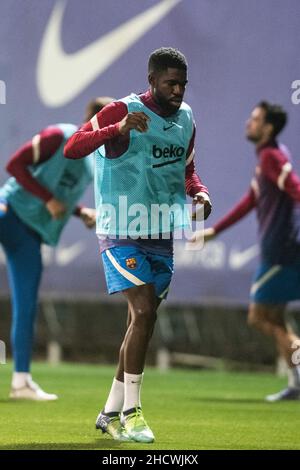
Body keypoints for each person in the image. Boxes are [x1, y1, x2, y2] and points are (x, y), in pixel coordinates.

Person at [64, 47, 212, 442]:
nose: (178, 90)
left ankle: (107, 413)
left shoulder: (186, 118)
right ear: (151, 81)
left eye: (182, 84)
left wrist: (199, 193)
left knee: (139, 324)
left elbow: (188, 170)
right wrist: (118, 129)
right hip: (120, 230)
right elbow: (73, 146)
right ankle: (132, 412)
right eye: (170, 83)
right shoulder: (120, 110)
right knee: (144, 311)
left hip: (161, 234)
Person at [0, 97, 113, 401]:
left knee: (26, 307)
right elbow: (15, 165)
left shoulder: (91, 162)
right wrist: (46, 197)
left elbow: (59, 195)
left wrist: (80, 212)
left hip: (31, 233)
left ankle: (21, 382)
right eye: (112, 120)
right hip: (8, 211)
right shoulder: (59, 136)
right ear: (95, 120)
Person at [191, 101, 300, 402]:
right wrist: (215, 230)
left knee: (259, 317)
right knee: (276, 319)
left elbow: (295, 188)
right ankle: (296, 383)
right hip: (282, 249)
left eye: (255, 119)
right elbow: (250, 200)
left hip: (281, 251)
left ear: (268, 127)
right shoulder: (269, 157)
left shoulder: (271, 156)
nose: (248, 123)